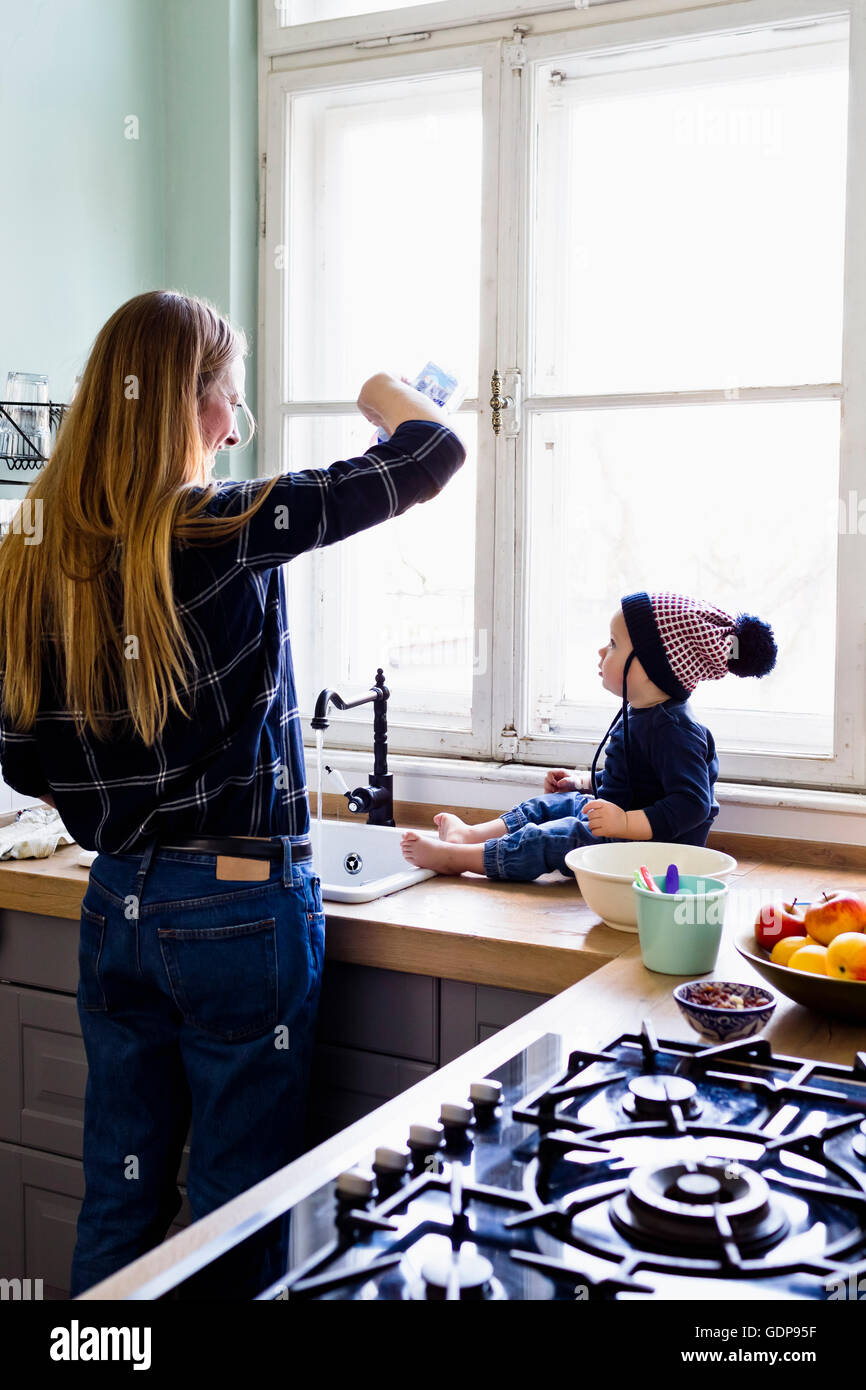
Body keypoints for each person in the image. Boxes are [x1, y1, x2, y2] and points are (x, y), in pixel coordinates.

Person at [0, 290, 465, 1298]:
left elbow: (23, 758)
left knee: (120, 1196)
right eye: (226, 399)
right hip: (240, 906)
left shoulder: (34, 551)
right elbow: (429, 455)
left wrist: (127, 812)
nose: (235, 426)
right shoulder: (216, 525)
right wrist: (385, 393)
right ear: (181, 402)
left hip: (116, 901)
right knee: (232, 1209)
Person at [401, 592, 777, 882]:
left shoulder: (675, 730)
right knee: (550, 807)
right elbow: (638, 782)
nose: (601, 651)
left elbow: (691, 804)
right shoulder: (642, 712)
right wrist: (583, 782)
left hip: (658, 853)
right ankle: (470, 835)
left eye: (613, 645)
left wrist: (624, 824)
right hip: (626, 828)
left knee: (557, 837)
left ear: (651, 668)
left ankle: (458, 860)